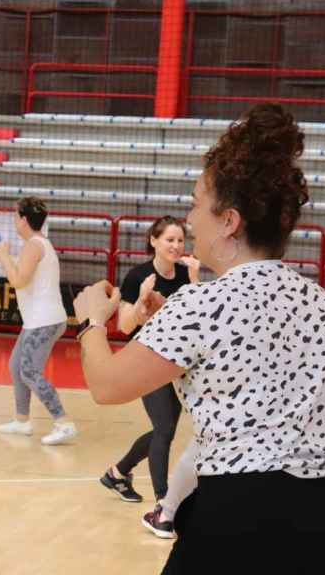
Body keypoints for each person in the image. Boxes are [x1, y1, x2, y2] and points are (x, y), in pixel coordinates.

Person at [73, 104, 325, 574]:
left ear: (229, 221)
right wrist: (168, 322)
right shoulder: (318, 299)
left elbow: (107, 385)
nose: (190, 217)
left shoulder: (203, 303)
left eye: (197, 204)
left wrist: (91, 322)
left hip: (249, 517)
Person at [97, 217, 200, 537]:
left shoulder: (185, 274)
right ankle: (163, 503)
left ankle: (118, 472)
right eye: (169, 239)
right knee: (165, 430)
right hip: (145, 360)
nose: (176, 246)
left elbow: (198, 317)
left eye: (180, 240)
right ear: (153, 241)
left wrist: (195, 279)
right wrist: (142, 302)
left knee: (162, 430)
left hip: (177, 363)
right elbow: (124, 326)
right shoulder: (138, 276)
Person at [0, 197, 76, 446]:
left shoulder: (33, 245)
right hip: (38, 319)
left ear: (23, 219)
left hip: (44, 320)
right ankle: (22, 420)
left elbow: (18, 281)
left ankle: (64, 422)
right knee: (16, 366)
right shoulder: (38, 244)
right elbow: (24, 276)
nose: (14, 221)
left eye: (16, 216)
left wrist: (5, 257)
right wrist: (6, 260)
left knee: (28, 371)